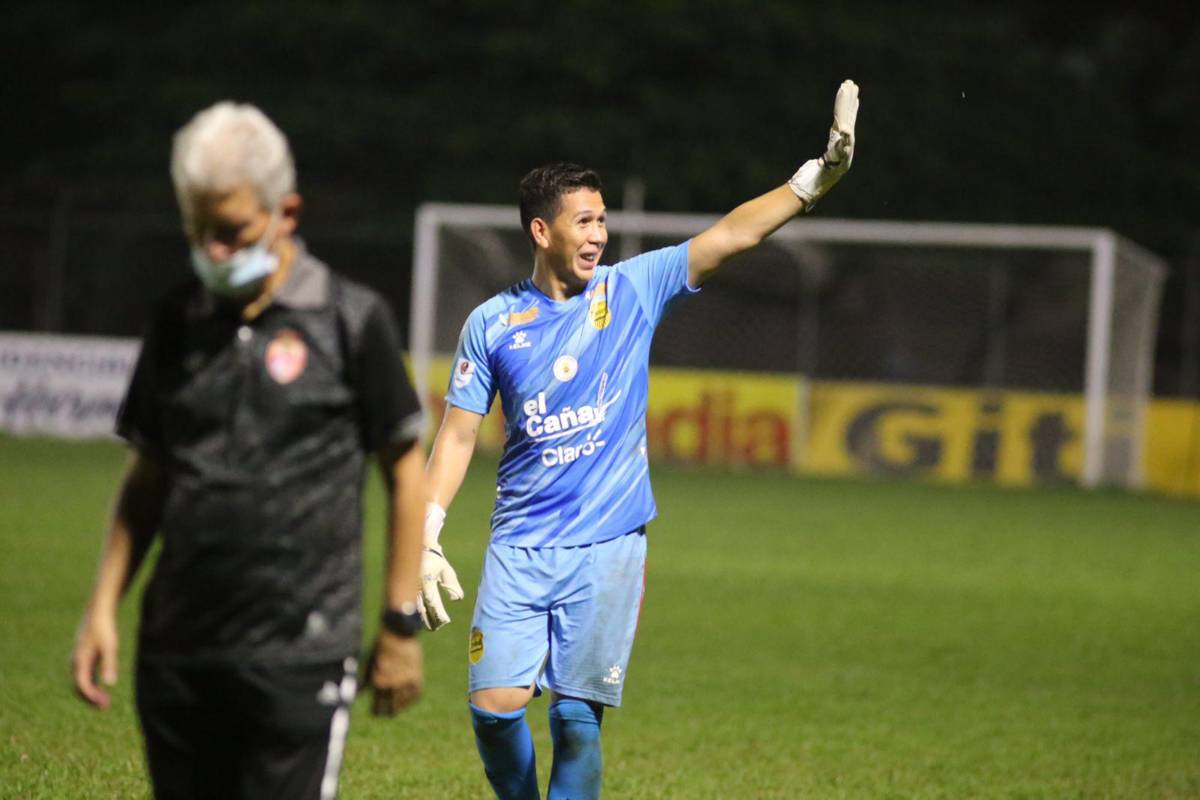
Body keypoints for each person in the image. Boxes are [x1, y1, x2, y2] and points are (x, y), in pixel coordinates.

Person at [418, 81, 860, 798]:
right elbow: (459, 437)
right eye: (584, 221)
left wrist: (814, 180)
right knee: (494, 711)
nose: (598, 235)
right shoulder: (492, 324)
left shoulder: (629, 291)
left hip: (609, 544)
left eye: (602, 221)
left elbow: (731, 235)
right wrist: (427, 533)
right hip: (519, 545)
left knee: (575, 721)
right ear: (541, 231)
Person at [70, 101, 428, 800]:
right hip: (178, 653)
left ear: (285, 212)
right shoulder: (177, 322)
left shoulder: (351, 321)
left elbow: (405, 473)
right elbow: (148, 474)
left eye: (231, 232)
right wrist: (102, 606)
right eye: (199, 232)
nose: (215, 252)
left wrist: (399, 625)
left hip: (302, 654)